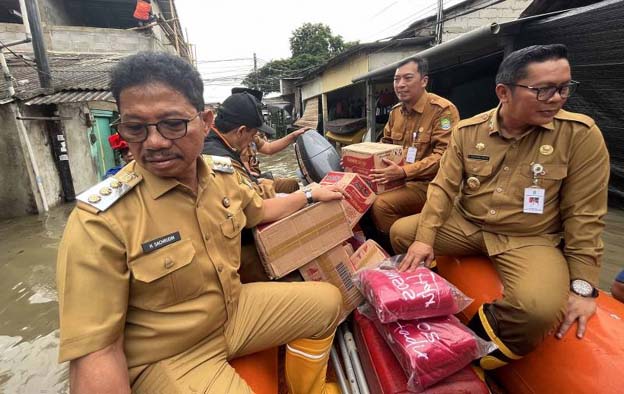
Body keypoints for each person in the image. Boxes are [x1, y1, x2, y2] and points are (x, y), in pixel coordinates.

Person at [56, 52, 345, 394]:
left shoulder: (222, 176)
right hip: (170, 353)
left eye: (173, 124)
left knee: (330, 301)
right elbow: (96, 353)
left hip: (233, 313)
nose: (155, 141)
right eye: (135, 127)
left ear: (206, 121)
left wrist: (311, 194)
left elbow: (259, 211)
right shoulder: (99, 220)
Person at [390, 44, 609, 370]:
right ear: (503, 92)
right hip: (467, 224)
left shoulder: (580, 135)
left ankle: (466, 349)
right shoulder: (469, 131)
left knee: (537, 310)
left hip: (529, 238)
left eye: (564, 88)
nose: (557, 98)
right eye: (543, 90)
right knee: (402, 232)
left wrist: (583, 286)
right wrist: (425, 239)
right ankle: (434, 303)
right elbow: (443, 188)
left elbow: (585, 216)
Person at [202, 92, 307, 282]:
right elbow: (257, 209)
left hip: (232, 226)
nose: (253, 141)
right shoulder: (219, 160)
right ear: (241, 131)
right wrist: (308, 194)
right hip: (227, 248)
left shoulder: (218, 142)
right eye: (252, 135)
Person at [368, 56, 459, 248]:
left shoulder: (442, 111)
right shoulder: (395, 113)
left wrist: (403, 172)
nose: (400, 84)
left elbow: (445, 157)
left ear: (424, 81)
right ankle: (372, 249)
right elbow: (384, 146)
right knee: (359, 195)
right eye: (396, 79)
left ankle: (396, 254)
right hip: (400, 180)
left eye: (407, 78)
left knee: (381, 204)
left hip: (430, 184)